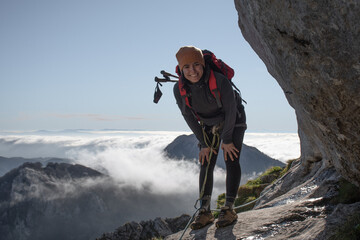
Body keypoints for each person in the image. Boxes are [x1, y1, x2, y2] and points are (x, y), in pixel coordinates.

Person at [173, 46, 247, 229]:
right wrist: (205, 143)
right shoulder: (179, 89)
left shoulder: (220, 81)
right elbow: (188, 117)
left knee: (231, 158)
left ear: (203, 64)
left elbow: (231, 110)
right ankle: (204, 212)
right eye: (187, 67)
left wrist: (228, 139)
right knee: (206, 163)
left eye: (197, 64)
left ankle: (229, 208)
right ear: (181, 69)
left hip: (233, 120)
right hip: (207, 124)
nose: (193, 71)